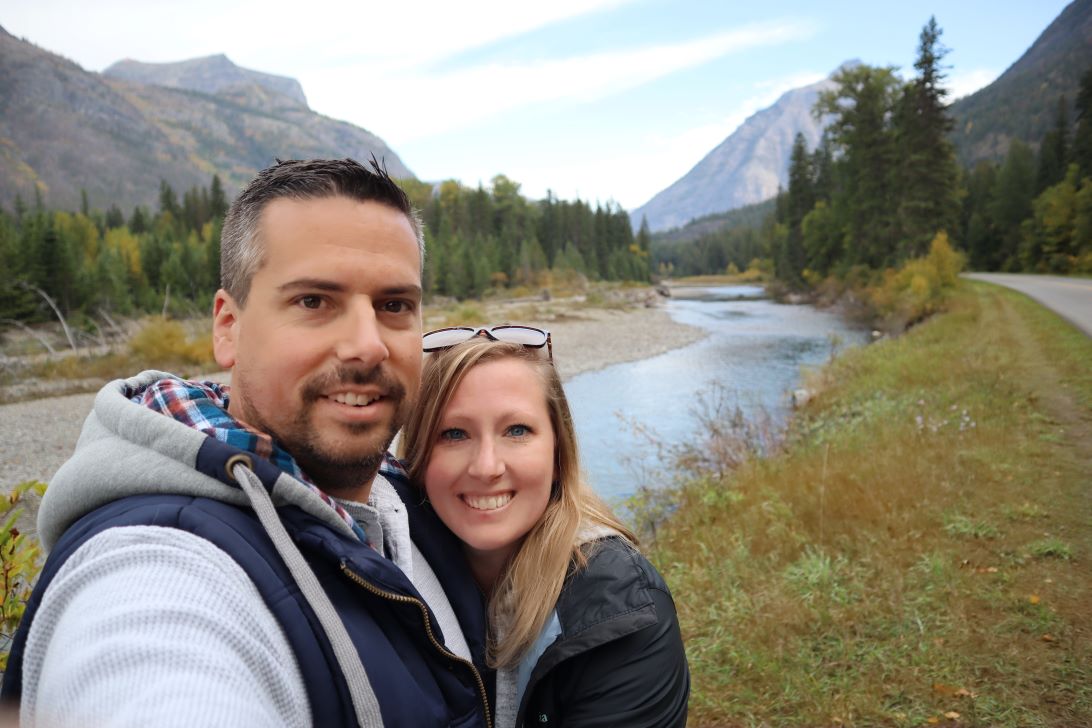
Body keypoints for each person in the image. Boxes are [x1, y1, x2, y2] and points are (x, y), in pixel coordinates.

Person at [1, 159, 492, 727]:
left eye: (394, 306)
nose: (367, 345)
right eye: (314, 302)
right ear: (228, 327)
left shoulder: (406, 501)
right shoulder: (156, 566)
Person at [400, 327, 690, 728]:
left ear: (558, 453)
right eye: (453, 434)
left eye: (516, 430)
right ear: (417, 456)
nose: (487, 467)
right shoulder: (385, 574)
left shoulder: (622, 611)